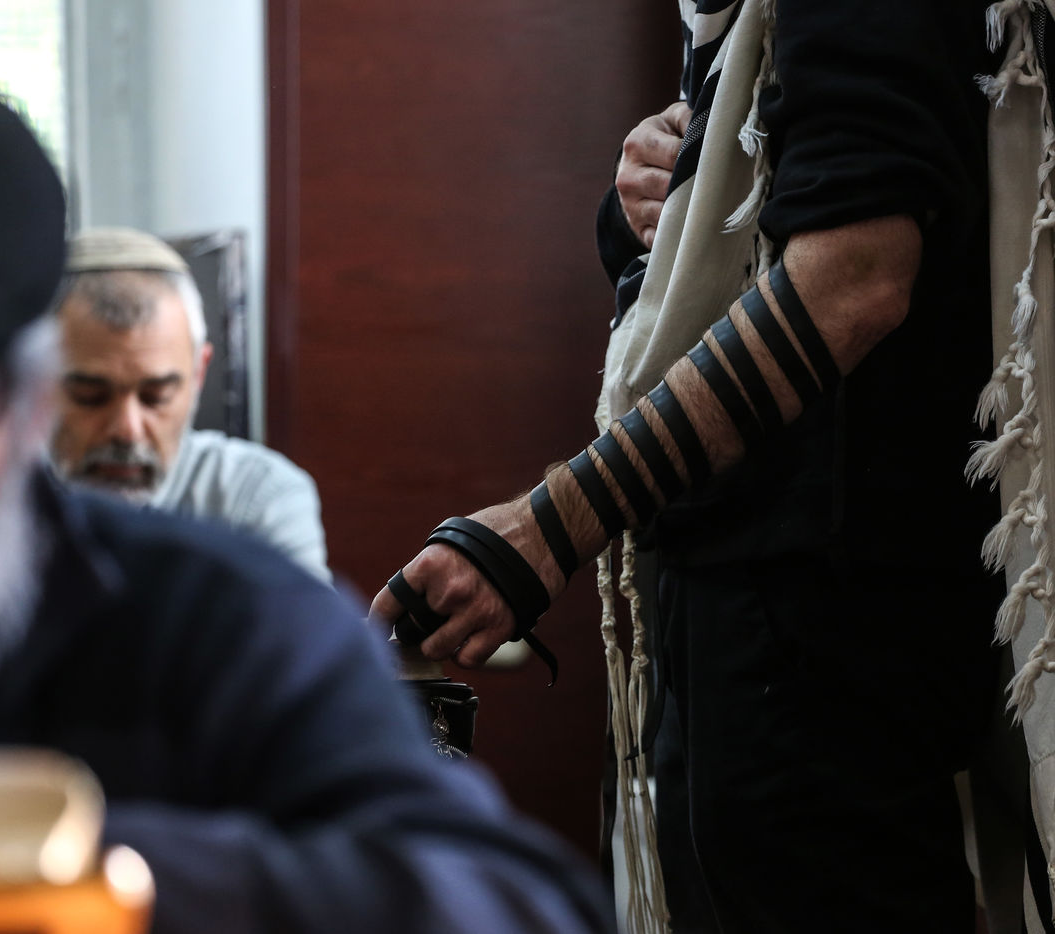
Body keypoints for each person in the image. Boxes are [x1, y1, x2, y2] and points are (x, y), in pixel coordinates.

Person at [0, 47, 612, 934]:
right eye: (98, 394)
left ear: (23, 412)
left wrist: (38, 867)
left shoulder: (229, 619)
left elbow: (519, 908)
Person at [374, 2, 1003, 930]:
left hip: (822, 617)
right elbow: (765, 218)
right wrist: (653, 200)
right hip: (738, 581)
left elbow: (854, 279)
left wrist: (551, 526)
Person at [50, 227, 332, 582]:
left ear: (199, 372)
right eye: (91, 396)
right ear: (33, 383)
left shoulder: (256, 499)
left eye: (156, 396)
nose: (128, 430)